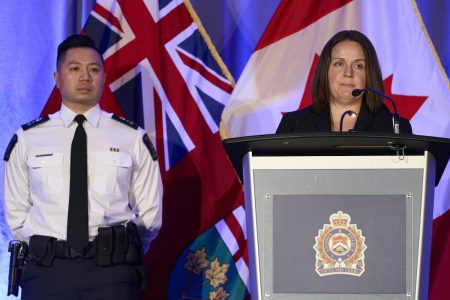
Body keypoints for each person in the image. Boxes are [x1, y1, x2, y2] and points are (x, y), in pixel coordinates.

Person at [3, 34, 163, 300]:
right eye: (74, 68)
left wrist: (118, 250)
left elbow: (150, 216)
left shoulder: (131, 138)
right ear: (57, 78)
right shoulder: (28, 138)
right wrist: (46, 249)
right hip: (46, 272)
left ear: (103, 76)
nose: (85, 77)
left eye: (94, 69)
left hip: (112, 274)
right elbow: (16, 213)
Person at [276, 30, 412, 134]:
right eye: (339, 64)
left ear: (369, 75)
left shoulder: (395, 129)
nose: (348, 73)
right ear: (325, 71)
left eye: (358, 66)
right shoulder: (293, 125)